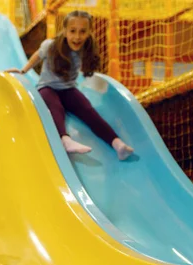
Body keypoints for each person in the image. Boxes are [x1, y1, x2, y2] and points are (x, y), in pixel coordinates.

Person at [8, 10, 134, 160]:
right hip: (47, 87)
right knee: (56, 107)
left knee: (88, 110)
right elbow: (37, 55)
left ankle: (117, 144)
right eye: (72, 31)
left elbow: (89, 69)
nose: (77, 36)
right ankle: (65, 140)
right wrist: (23, 70)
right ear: (65, 31)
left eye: (83, 31)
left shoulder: (87, 48)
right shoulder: (51, 45)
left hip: (68, 88)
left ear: (89, 32)